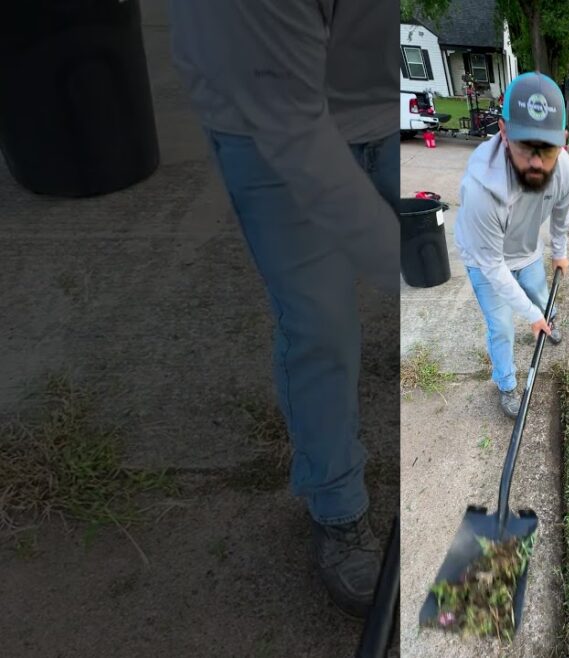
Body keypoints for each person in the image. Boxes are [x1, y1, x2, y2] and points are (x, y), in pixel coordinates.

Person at [168, 0, 399, 619]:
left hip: (383, 102)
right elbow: (290, 127)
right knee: (321, 323)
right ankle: (338, 507)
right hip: (264, 111)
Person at [454, 72, 569, 418]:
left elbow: (561, 215)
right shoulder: (481, 188)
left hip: (526, 250)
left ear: (563, 140)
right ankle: (507, 385)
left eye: (547, 149)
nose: (537, 161)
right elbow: (492, 267)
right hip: (485, 259)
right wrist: (530, 317)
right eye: (525, 146)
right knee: (503, 325)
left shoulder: (564, 170)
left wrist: (560, 253)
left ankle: (548, 320)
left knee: (539, 295)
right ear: (503, 132)